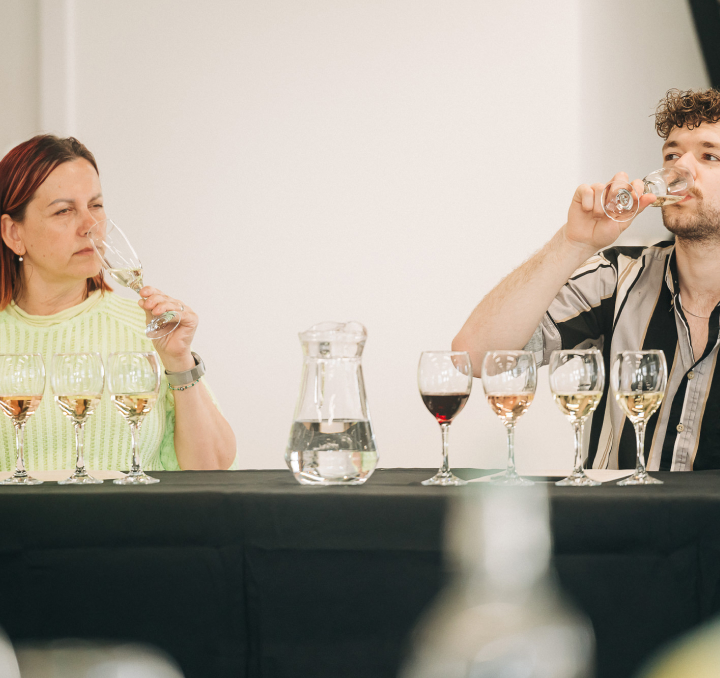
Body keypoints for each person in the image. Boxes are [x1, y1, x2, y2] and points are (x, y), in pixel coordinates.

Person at [453, 88, 720, 472]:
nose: (682, 169)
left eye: (710, 156)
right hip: (618, 512)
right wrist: (573, 242)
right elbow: (476, 356)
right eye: (672, 155)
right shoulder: (617, 276)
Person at [0, 134, 237, 471]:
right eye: (64, 210)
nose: (90, 226)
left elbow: (212, 471)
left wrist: (179, 362)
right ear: (14, 233)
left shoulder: (147, 331)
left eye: (95, 206)